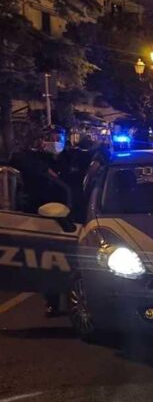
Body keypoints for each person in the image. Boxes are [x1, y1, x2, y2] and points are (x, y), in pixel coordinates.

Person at [9, 126, 74, 317]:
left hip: (71, 219)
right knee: (50, 262)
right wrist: (44, 170)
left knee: (75, 262)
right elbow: (16, 159)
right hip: (42, 218)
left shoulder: (70, 158)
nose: (55, 141)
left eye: (58, 137)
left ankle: (78, 298)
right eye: (50, 137)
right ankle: (52, 302)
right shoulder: (33, 160)